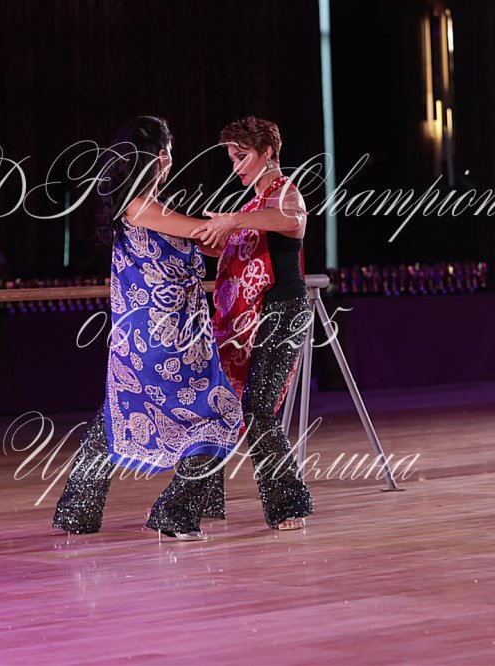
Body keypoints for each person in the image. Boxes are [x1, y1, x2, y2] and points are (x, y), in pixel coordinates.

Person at [53, 115, 247, 541]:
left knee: (120, 412)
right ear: (161, 156)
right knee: (220, 415)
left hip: (163, 335)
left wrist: (220, 234)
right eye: (171, 150)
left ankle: (77, 511)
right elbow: (200, 232)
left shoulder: (151, 208)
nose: (172, 158)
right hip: (161, 337)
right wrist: (235, 221)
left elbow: (203, 242)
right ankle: (174, 513)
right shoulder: (140, 207)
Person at [192, 116, 314, 531]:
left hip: (282, 312)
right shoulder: (251, 207)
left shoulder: (286, 192)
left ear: (268, 153)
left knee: (259, 407)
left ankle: (290, 505)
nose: (236, 166)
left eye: (242, 156)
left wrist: (232, 221)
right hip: (249, 319)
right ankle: (200, 502)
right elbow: (229, 246)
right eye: (231, 158)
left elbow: (292, 220)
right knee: (217, 404)